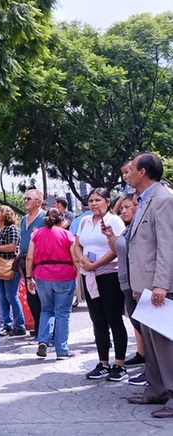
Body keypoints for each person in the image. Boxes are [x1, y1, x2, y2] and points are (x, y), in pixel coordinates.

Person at [125, 152, 173, 418]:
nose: (128, 173)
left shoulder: (163, 199)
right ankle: (155, 390)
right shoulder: (144, 200)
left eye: (131, 169)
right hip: (145, 285)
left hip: (158, 286)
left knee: (165, 346)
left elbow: (167, 245)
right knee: (152, 346)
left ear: (143, 172)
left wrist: (161, 284)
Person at [73, 187, 128, 381]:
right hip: (89, 274)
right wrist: (82, 261)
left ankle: (120, 364)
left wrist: (96, 264)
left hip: (109, 274)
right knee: (97, 319)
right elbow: (77, 244)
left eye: (98, 200)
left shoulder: (115, 221)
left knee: (114, 318)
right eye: (91, 200)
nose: (94, 203)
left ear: (107, 201)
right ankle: (103, 362)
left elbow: (117, 248)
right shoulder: (85, 221)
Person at [102, 194, 146, 386]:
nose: (124, 211)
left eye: (128, 207)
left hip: (137, 284)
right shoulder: (129, 229)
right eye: (122, 208)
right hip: (127, 283)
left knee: (150, 330)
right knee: (139, 326)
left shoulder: (141, 227)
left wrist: (139, 283)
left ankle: (156, 374)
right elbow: (119, 249)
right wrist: (111, 236)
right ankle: (152, 371)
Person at [25, 208, 78, 360]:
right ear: (61, 220)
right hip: (64, 274)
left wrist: (29, 277)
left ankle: (43, 340)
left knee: (46, 309)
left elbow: (29, 258)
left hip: (42, 274)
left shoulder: (36, 234)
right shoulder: (67, 234)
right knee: (62, 312)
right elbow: (75, 258)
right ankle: (62, 350)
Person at [0, 205, 26, 336]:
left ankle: (19, 325)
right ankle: (6, 324)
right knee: (1, 297)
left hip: (10, 266)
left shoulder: (12, 229)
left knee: (11, 296)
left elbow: (12, 247)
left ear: (5, 215)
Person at [16, 189, 45, 337]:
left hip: (41, 261)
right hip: (26, 262)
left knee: (42, 297)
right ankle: (37, 327)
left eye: (29, 198)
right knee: (31, 296)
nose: (25, 201)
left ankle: (45, 330)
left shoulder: (45, 217)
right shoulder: (24, 218)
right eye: (25, 198)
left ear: (38, 202)